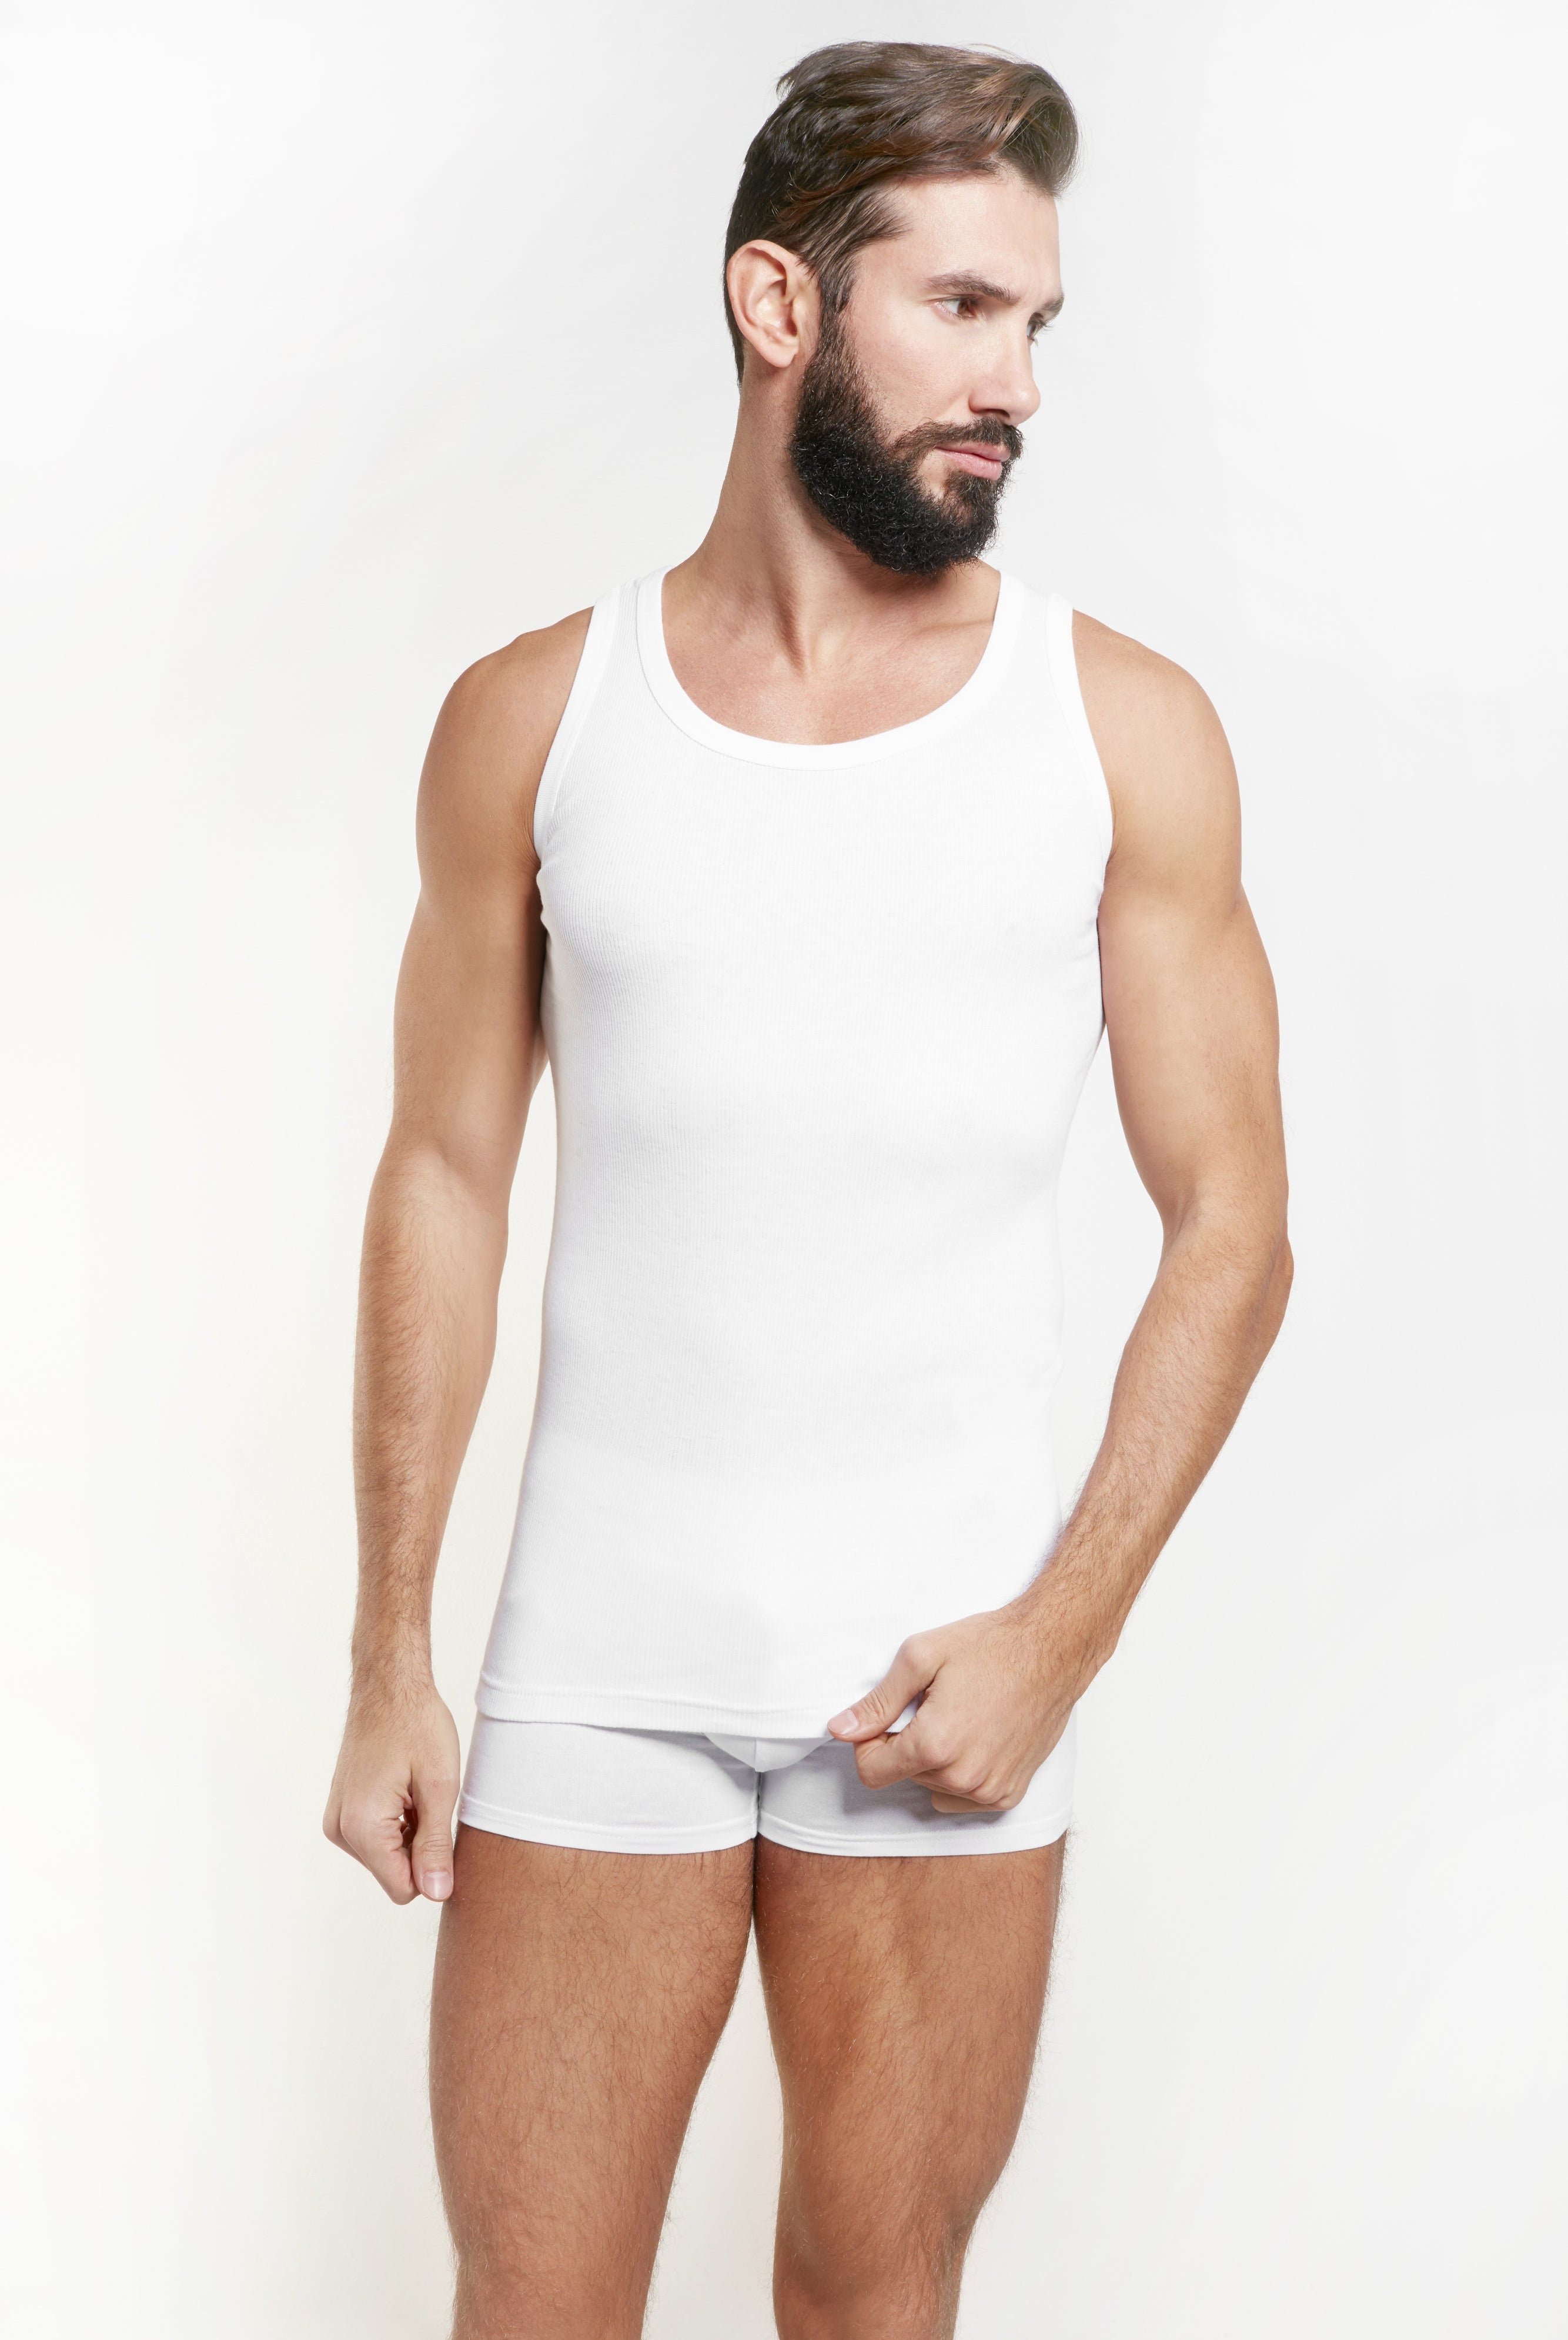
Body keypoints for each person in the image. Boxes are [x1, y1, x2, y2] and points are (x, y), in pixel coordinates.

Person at [323, 39, 1292, 2339]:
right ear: (780, 303)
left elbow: (1234, 1224)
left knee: (875, 2301)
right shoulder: (536, 716)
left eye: (1033, 322)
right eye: (958, 307)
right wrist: (389, 1651)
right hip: (596, 1662)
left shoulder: (1120, 729)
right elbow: (443, 1174)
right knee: (533, 2307)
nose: (1013, 383)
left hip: (942, 1675)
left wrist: (1058, 1633)